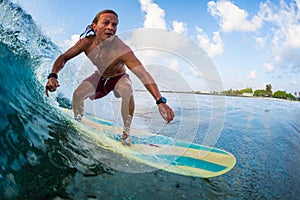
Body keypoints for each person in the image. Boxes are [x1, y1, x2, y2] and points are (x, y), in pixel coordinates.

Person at [45, 9, 174, 146]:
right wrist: (53, 75)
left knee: (126, 88)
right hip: (100, 76)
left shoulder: (121, 49)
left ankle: (126, 133)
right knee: (78, 94)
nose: (111, 28)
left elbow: (143, 74)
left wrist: (160, 101)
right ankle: (78, 122)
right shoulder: (86, 43)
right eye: (106, 23)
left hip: (119, 78)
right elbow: (64, 57)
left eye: (114, 24)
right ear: (94, 26)